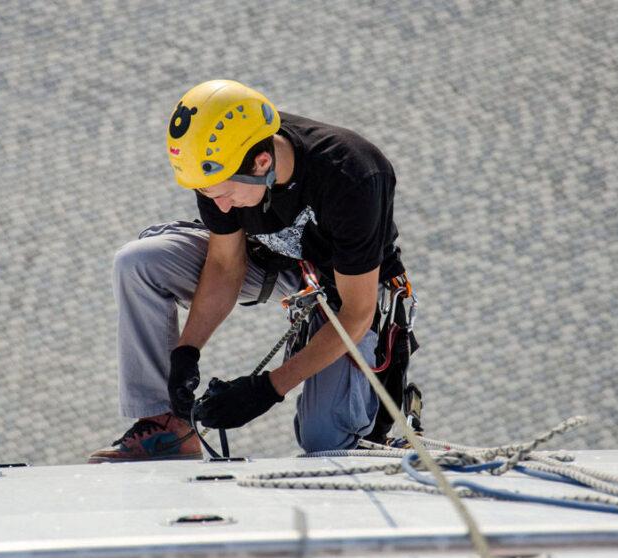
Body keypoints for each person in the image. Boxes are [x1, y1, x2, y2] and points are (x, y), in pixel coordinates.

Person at [89, 79, 413, 463]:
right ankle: (168, 425)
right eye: (210, 195)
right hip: (267, 260)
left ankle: (367, 427)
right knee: (138, 263)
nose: (221, 208)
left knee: (324, 439)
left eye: (224, 194)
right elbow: (226, 264)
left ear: (262, 163)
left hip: (346, 287)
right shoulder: (220, 167)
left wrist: (266, 389)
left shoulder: (352, 176)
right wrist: (185, 353)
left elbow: (356, 314)